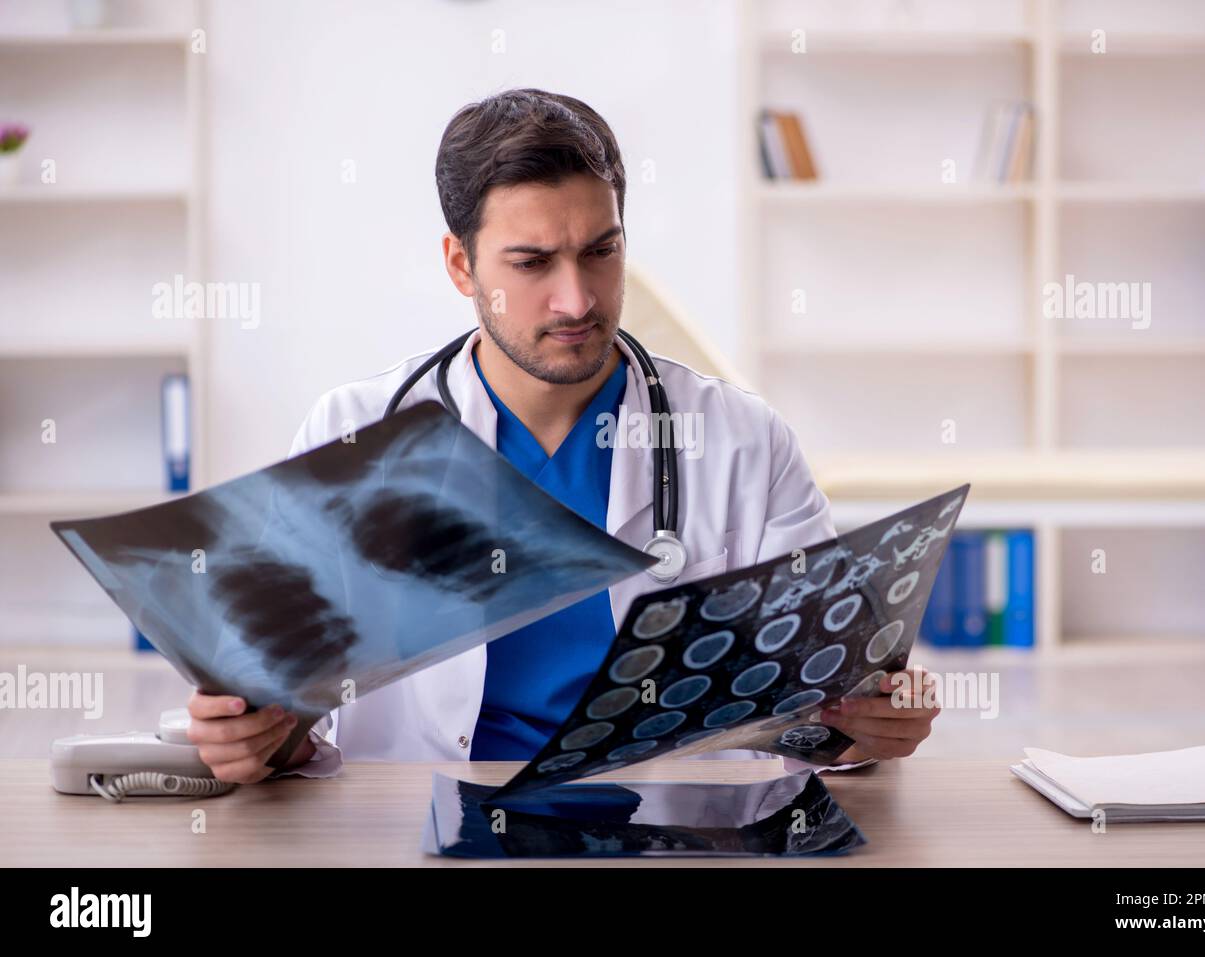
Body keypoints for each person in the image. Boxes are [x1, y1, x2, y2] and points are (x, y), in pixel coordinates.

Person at [186, 88, 941, 784]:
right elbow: (288, 706)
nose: (576, 298)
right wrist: (258, 740)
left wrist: (863, 728)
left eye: (600, 251)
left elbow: (815, 707)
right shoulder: (352, 434)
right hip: (419, 824)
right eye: (534, 263)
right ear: (462, 265)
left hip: (671, 829)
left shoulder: (743, 441)